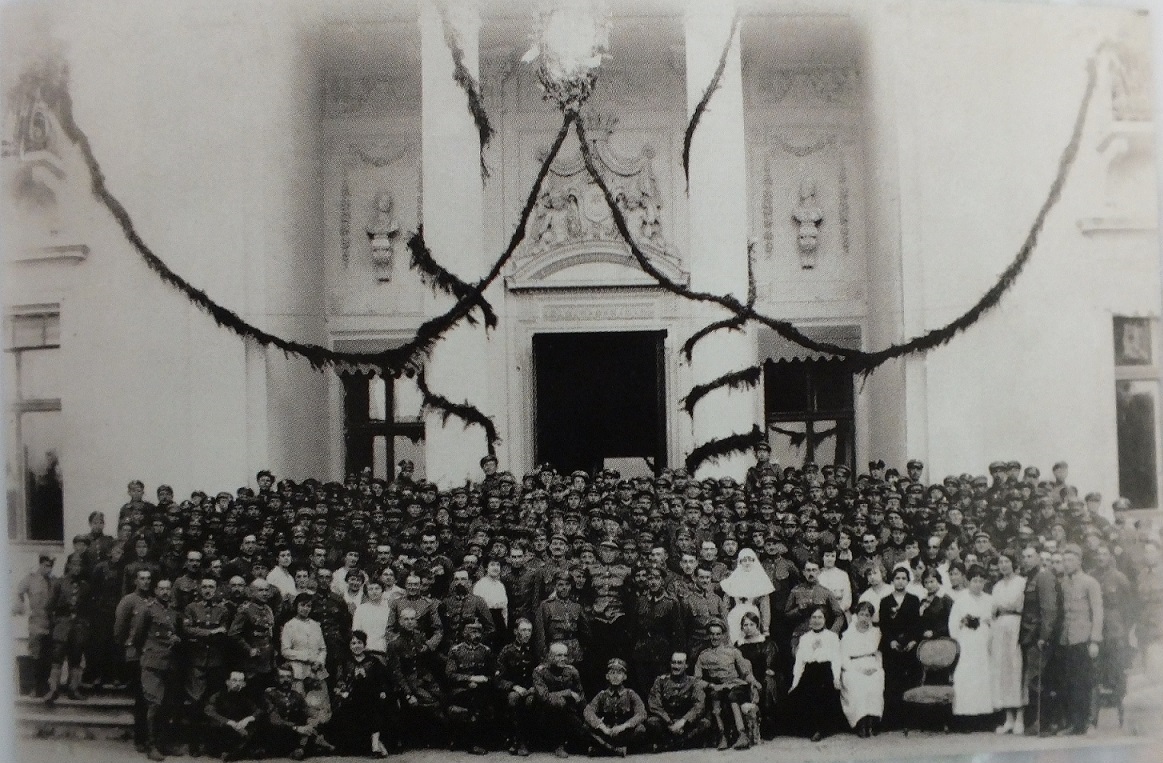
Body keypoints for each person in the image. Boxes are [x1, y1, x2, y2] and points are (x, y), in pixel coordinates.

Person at [1054, 544, 1103, 736]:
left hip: (1084, 638)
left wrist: (1095, 640)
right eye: (1064, 560)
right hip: (1066, 638)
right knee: (1070, 681)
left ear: (1080, 561)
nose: (1066, 564)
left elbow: (1098, 611)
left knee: (1086, 681)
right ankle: (1075, 723)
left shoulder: (1090, 582)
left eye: (1070, 560)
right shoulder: (1063, 583)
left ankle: (1090, 722)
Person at [130, 579, 182, 761]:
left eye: (168, 589)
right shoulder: (148, 609)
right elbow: (137, 636)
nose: (166, 592)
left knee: (167, 705)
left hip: (170, 663)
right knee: (154, 704)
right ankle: (150, 745)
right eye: (162, 588)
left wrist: (176, 638)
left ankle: (163, 743)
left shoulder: (174, 611)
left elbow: (176, 632)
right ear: (155, 590)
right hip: (152, 663)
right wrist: (147, 653)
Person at [694, 618, 758, 750]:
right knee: (715, 695)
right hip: (717, 686)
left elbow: (745, 672)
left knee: (732, 695)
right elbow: (697, 679)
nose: (715, 637)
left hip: (736, 685)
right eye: (712, 634)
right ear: (708, 635)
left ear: (723, 635)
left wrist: (754, 682)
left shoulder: (733, 652)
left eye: (718, 634)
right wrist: (710, 685)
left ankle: (742, 734)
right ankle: (723, 736)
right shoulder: (703, 656)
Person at [327, 630, 392, 757]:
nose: (356, 646)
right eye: (353, 643)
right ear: (349, 646)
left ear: (364, 644)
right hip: (351, 696)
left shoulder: (373, 661)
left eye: (359, 642)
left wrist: (382, 690)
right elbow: (340, 680)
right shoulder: (345, 662)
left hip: (370, 695)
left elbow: (382, 680)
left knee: (375, 707)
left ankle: (375, 744)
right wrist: (345, 687)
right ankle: (368, 744)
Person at [1018, 544, 1060, 735]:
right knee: (1033, 681)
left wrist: (1044, 636)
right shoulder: (1029, 578)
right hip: (1028, 636)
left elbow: (1049, 610)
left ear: (1037, 558)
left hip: (1037, 637)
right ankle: (1035, 723)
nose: (1026, 560)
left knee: (1039, 681)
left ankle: (1044, 724)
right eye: (1024, 556)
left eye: (1030, 556)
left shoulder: (1043, 577)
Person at [785, 607, 843, 742]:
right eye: (814, 617)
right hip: (810, 671)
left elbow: (836, 658)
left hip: (826, 671)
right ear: (809, 620)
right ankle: (811, 729)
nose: (817, 621)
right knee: (801, 696)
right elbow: (800, 661)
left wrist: (836, 678)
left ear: (825, 619)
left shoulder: (832, 637)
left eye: (820, 617)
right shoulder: (805, 638)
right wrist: (795, 683)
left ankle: (819, 730)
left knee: (822, 696)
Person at [948, 565, 995, 725]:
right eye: (975, 581)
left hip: (983, 642)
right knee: (966, 676)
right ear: (968, 581)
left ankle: (984, 717)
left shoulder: (989, 599)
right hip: (967, 643)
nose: (978, 584)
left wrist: (989, 624)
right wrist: (963, 624)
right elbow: (953, 625)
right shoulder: (961, 600)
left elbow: (994, 621)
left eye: (981, 581)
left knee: (983, 676)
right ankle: (965, 717)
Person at [445, 618, 497, 754]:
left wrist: (485, 679)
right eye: (472, 631)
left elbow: (494, 673)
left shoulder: (486, 651)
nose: (477, 635)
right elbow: (450, 674)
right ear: (464, 633)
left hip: (481, 689)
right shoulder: (456, 651)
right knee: (474, 701)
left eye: (479, 631)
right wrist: (469, 679)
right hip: (460, 690)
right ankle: (472, 744)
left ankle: (482, 740)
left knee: (482, 699)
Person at [878, 566, 921, 727]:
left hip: (909, 646)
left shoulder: (914, 600)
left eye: (903, 578)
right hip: (892, 647)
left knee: (909, 680)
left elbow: (917, 624)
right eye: (897, 578)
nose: (900, 581)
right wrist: (891, 641)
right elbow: (884, 625)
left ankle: (909, 720)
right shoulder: (885, 601)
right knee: (892, 681)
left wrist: (912, 640)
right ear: (892, 581)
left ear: (908, 581)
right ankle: (892, 721)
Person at [990, 551, 1026, 734]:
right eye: (1001, 562)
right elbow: (993, 609)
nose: (1003, 565)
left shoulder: (1022, 582)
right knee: (1002, 670)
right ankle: (1008, 718)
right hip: (1000, 628)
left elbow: (1016, 604)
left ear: (1013, 563)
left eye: (1007, 561)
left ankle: (1020, 717)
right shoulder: (996, 586)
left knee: (1015, 668)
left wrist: (1005, 607)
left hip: (1015, 626)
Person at [532, 641, 588, 758]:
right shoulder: (540, 672)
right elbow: (544, 696)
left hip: (568, 713)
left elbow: (580, 696)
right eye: (558, 655)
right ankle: (558, 744)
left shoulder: (572, 671)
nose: (563, 658)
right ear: (549, 656)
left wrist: (587, 718)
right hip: (546, 715)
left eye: (565, 655)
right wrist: (567, 693)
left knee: (586, 736)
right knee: (558, 703)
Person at [645, 652, 710, 752]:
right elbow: (654, 705)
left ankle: (672, 744)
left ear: (686, 665)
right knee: (652, 722)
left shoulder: (693, 682)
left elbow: (699, 705)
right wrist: (669, 722)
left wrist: (683, 721)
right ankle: (680, 744)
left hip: (686, 724)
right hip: (666, 723)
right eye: (673, 663)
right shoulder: (660, 681)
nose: (676, 666)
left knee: (705, 723)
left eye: (679, 663)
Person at [583, 658, 647, 756]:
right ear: (607, 676)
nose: (615, 676)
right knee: (585, 726)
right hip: (607, 733)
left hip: (624, 734)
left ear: (625, 677)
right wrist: (602, 727)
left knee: (641, 729)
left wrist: (624, 726)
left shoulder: (630, 694)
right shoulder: (602, 695)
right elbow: (588, 711)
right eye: (612, 673)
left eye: (619, 673)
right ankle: (614, 750)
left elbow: (641, 713)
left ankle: (603, 750)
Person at [840, 601, 884, 738]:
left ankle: (872, 722)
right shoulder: (848, 634)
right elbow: (843, 656)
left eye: (867, 615)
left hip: (872, 664)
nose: (864, 618)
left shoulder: (876, 633)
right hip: (853, 665)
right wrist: (858, 669)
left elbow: (878, 654)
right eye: (861, 614)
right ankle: (861, 723)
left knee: (875, 683)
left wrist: (876, 667)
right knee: (857, 684)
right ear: (856, 615)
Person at [495, 618, 538, 756]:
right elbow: (498, 678)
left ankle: (523, 740)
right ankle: (518, 741)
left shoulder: (536, 650)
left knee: (530, 701)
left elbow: (542, 673)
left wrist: (534, 688)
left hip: (531, 689)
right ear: (515, 632)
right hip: (513, 690)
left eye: (529, 630)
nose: (527, 634)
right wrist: (514, 687)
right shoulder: (507, 651)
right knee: (513, 699)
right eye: (523, 630)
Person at [736, 610, 779, 742]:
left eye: (751, 625)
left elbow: (770, 663)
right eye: (745, 625)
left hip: (762, 675)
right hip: (745, 676)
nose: (748, 628)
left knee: (767, 684)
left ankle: (767, 725)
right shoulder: (739, 644)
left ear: (757, 625)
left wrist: (769, 670)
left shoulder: (765, 642)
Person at [204, 671, 262, 762]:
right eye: (234, 680)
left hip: (239, 730)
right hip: (222, 730)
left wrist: (247, 719)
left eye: (240, 681)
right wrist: (229, 722)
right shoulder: (218, 696)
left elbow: (258, 711)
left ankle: (236, 753)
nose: (237, 684)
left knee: (252, 731)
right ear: (227, 682)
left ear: (244, 684)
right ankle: (236, 753)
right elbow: (209, 711)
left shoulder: (246, 698)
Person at [719, 548, 774, 645]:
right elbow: (725, 604)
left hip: (753, 615)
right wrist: (725, 622)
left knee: (752, 643)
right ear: (740, 562)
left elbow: (765, 607)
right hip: (735, 615)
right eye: (744, 560)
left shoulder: (760, 580)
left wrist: (766, 628)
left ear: (754, 561)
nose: (747, 563)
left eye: (750, 559)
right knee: (735, 642)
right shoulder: (733, 578)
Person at [281, 592, 327, 693]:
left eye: (308, 606)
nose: (305, 609)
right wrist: (307, 657)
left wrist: (319, 661)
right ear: (296, 606)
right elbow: (285, 651)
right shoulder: (289, 626)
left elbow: (323, 649)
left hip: (316, 671)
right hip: (298, 672)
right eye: (302, 605)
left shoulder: (316, 625)